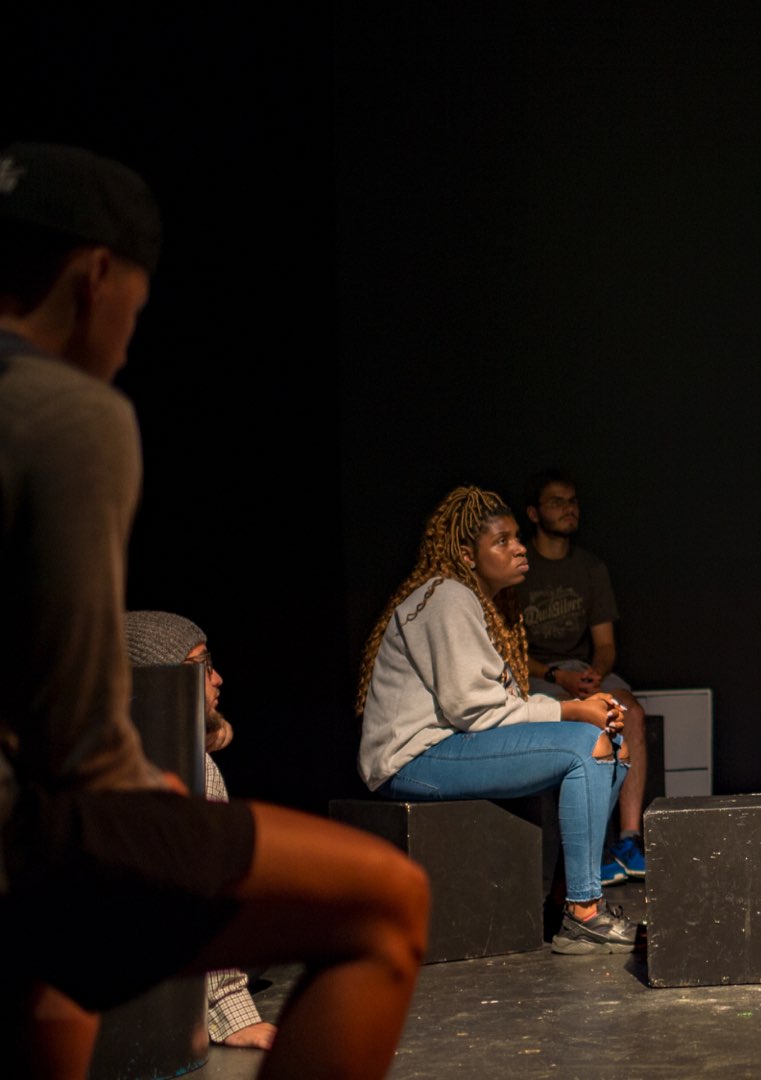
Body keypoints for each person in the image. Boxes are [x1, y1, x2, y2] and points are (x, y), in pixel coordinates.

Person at [0, 142, 426, 1079]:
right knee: (386, 903)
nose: (126, 339)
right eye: (137, 312)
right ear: (97, 277)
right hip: (24, 841)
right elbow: (76, 743)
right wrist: (162, 789)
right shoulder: (65, 412)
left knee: (59, 976)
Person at [357, 485, 637, 954]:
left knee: (615, 747)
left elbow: (488, 706)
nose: (519, 548)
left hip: (453, 746)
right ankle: (584, 912)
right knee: (585, 745)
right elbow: (476, 710)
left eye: (516, 539)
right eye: (502, 541)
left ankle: (564, 900)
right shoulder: (447, 597)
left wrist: (586, 715)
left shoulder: (480, 602)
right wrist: (572, 709)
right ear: (467, 554)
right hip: (414, 759)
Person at [123, 611, 275, 1052]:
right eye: (202, 667)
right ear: (159, 680)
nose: (218, 679)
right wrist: (232, 1015)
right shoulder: (192, 766)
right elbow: (206, 889)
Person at [517, 468, 648, 884]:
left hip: (580, 670)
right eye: (557, 502)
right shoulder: (520, 567)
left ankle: (628, 840)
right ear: (534, 513)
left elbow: (605, 644)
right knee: (578, 719)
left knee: (632, 711)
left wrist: (595, 674)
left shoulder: (590, 567)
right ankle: (585, 851)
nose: (569, 509)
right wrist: (557, 675)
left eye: (572, 501)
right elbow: (509, 652)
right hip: (535, 673)